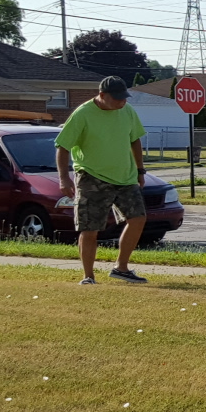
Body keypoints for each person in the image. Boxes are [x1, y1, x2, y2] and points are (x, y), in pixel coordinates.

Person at [54, 76, 150, 285]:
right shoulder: (83, 114)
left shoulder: (127, 111)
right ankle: (88, 276)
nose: (121, 102)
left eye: (124, 98)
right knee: (90, 228)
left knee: (138, 218)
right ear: (102, 95)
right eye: (116, 99)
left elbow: (135, 140)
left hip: (125, 176)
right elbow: (63, 146)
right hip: (91, 176)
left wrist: (140, 171)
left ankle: (121, 268)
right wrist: (64, 178)